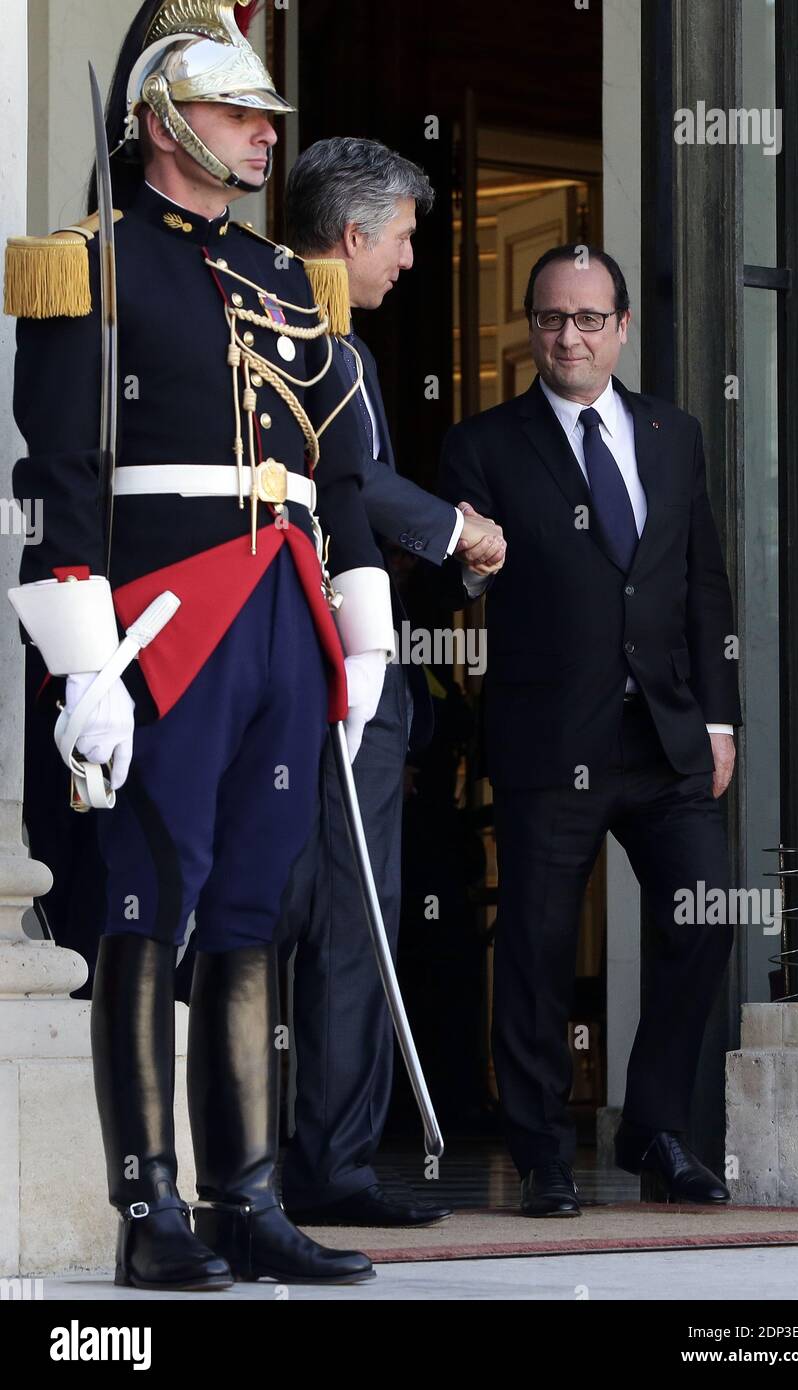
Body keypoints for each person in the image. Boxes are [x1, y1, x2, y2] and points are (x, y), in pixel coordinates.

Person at [8, 0, 393, 1288]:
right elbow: (59, 478)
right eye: (238, 113)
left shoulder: (293, 280)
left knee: (250, 913)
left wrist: (361, 632)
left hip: (282, 613)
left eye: (266, 117)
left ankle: (245, 1199)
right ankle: (148, 1211)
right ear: (165, 122)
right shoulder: (90, 264)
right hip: (165, 624)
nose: (261, 137)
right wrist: (84, 660)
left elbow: (339, 474)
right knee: (147, 901)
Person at [439, 243, 741, 1215]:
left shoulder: (672, 432)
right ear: (532, 327)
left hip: (662, 736)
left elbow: (699, 580)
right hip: (546, 738)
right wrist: (469, 565)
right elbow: (442, 577)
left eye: (584, 318)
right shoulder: (481, 444)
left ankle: (654, 1128)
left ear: (618, 327)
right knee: (530, 949)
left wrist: (720, 718)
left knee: (701, 915)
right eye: (547, 319)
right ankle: (541, 1154)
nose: (565, 335)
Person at [276, 136, 505, 1227]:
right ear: (354, 234)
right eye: (405, 235)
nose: (411, 258)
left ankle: (292, 1153)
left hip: (284, 663)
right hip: (324, 670)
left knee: (299, 915)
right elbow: (352, 486)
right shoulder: (320, 342)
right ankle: (329, 1162)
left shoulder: (275, 320)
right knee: (344, 920)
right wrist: (455, 528)